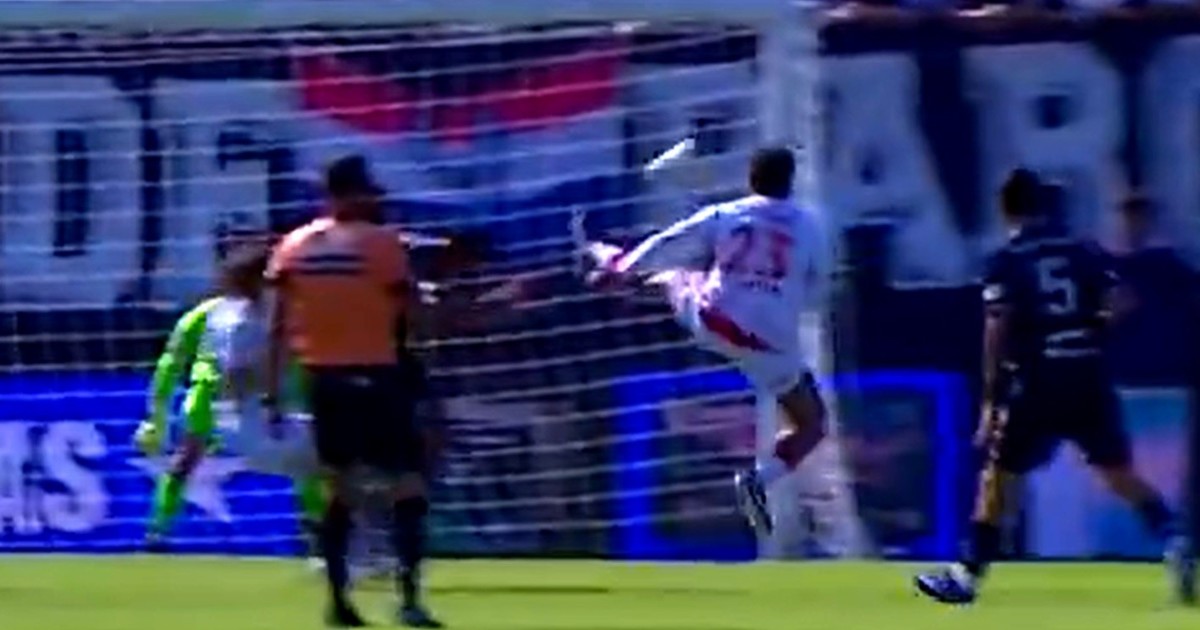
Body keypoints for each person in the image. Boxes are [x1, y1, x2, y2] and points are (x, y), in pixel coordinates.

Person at [914, 169, 1184, 605]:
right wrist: (1088, 332)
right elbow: (1122, 300)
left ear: (1005, 210)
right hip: (1086, 374)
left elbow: (997, 329)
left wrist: (991, 399)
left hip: (1036, 380)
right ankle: (1174, 535)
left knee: (998, 479)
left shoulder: (1007, 259)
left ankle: (966, 576)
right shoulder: (1080, 250)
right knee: (1116, 473)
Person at [583, 146, 830, 537]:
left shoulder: (726, 213)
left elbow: (668, 241)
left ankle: (607, 261)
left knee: (673, 274)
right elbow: (818, 291)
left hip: (716, 319)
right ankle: (758, 479)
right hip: (771, 342)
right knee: (812, 425)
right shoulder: (812, 226)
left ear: (751, 178)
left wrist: (625, 268)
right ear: (791, 182)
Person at [266, 155, 438, 628]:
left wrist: (273, 392)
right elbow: (414, 315)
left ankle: (338, 602)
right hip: (379, 374)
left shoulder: (293, 246)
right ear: (358, 193)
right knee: (407, 483)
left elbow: (278, 325)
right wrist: (424, 310)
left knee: (339, 487)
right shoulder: (382, 243)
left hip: (323, 378)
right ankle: (409, 600)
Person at [135, 244, 327, 563]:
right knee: (186, 460)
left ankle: (317, 534)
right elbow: (172, 360)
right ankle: (156, 534)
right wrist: (156, 414)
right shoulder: (211, 313)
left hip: (269, 400)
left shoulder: (285, 311)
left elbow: (297, 356)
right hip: (214, 398)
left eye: (239, 277)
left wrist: (294, 395)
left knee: (306, 464)